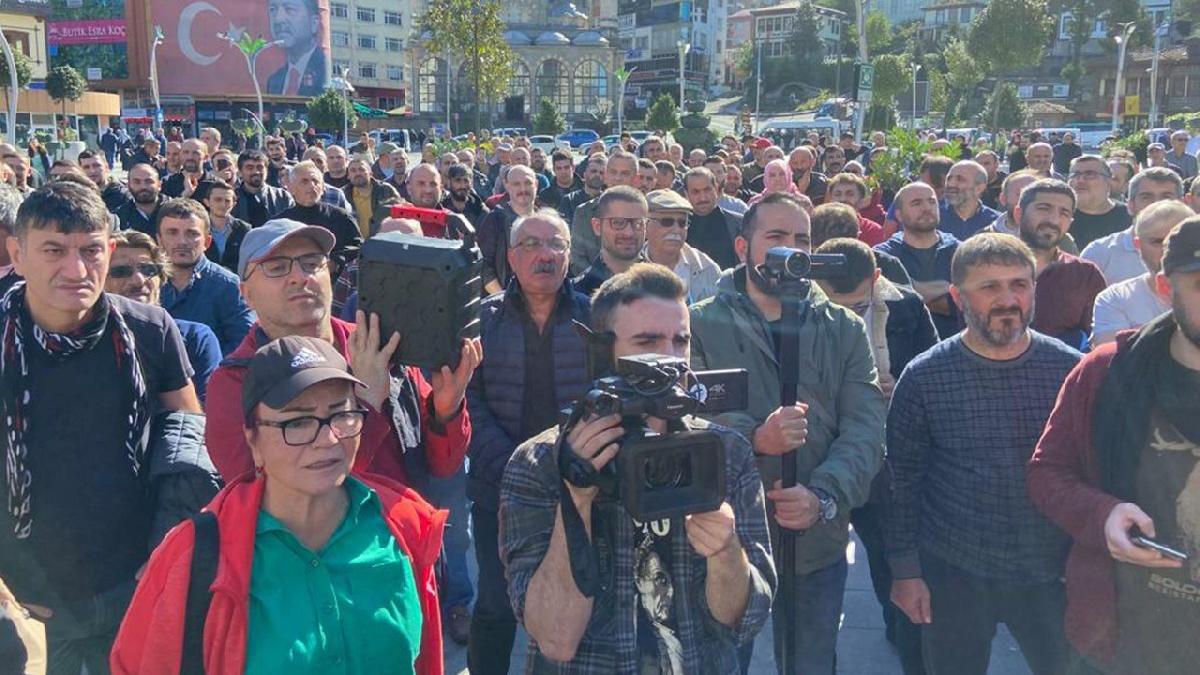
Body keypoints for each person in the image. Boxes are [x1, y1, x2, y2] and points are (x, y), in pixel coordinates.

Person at [110, 335, 448, 673]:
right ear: (252, 438)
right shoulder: (194, 557)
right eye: (297, 422)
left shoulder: (402, 528)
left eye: (341, 414)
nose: (328, 439)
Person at [500, 263, 777, 672]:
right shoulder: (540, 462)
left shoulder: (725, 452)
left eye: (680, 341)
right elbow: (555, 639)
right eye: (647, 341)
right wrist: (576, 498)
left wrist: (724, 551)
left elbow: (745, 617)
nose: (669, 359)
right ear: (601, 350)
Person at [0, 182, 216, 674]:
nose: (75, 270)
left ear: (110, 249)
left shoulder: (150, 329)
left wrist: (164, 550)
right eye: (53, 250)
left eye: (91, 250)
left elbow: (189, 447)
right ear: (18, 252)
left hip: (134, 577)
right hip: (25, 593)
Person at [690, 192, 886, 673]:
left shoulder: (844, 327)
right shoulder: (698, 323)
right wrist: (754, 438)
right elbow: (685, 419)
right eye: (775, 237)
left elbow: (865, 426)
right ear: (742, 248)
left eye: (801, 239)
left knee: (811, 661)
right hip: (724, 539)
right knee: (719, 660)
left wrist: (823, 495)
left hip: (815, 540)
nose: (789, 250)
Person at [887, 232, 1080, 675]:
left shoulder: (1071, 371)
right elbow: (901, 482)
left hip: (1050, 569)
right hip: (954, 568)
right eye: (989, 287)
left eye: (1019, 284)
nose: (1007, 299)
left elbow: (1090, 471)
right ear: (958, 296)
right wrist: (905, 570)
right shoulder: (924, 377)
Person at [1028, 217, 1200, 675]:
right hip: (1121, 638)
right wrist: (1102, 515)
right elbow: (1048, 472)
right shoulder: (1107, 372)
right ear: (1166, 287)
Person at [204, 219, 478, 488]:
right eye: (276, 268)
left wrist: (446, 411)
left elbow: (443, 466)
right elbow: (266, 500)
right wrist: (367, 401)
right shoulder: (235, 382)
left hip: (405, 526)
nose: (300, 277)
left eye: (311, 263)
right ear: (246, 294)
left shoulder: (377, 342)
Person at [466, 209, 591, 672]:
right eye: (531, 245)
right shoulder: (480, 321)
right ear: (511, 259)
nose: (545, 255)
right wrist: (513, 465)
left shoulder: (594, 318)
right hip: (497, 487)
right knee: (496, 607)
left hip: (577, 488)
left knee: (572, 607)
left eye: (555, 244)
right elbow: (467, 400)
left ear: (569, 255)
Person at [812, 237, 936, 675]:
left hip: (890, 453)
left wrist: (900, 383)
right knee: (816, 574)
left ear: (877, 279)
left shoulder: (908, 308)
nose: (844, 316)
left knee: (893, 554)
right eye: (834, 303)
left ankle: (903, 637)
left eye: (855, 304)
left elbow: (932, 372)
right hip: (825, 451)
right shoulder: (796, 310)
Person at [106, 230, 221, 401]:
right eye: (121, 271)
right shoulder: (84, 343)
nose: (138, 280)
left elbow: (208, 416)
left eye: (148, 270)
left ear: (162, 279)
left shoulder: (195, 339)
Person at [155, 197, 255, 356]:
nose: (182, 241)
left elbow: (244, 343)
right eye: (172, 232)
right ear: (159, 240)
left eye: (192, 233)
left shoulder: (227, 285)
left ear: (207, 242)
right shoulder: (146, 283)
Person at [1015, 179, 1107, 349]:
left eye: (1064, 213)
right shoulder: (986, 266)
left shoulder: (1085, 274)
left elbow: (1097, 341)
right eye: (1044, 209)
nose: (1054, 220)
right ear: (1019, 214)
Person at [1091, 200, 1191, 347]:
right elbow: (1113, 360)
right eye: (1157, 242)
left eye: (1178, 240)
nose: (1167, 250)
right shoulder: (1116, 299)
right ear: (1138, 245)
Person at [876, 182, 962, 339]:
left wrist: (910, 290)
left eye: (931, 201)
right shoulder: (882, 257)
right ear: (899, 215)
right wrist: (946, 289)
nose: (926, 208)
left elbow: (969, 303)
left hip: (955, 348)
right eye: (916, 203)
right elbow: (891, 304)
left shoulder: (963, 253)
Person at [1083, 167, 1184, 285]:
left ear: (1182, 204)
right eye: (1146, 197)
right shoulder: (1099, 254)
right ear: (1130, 205)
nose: (1157, 204)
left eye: (1166, 197)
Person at [277, 160, 362, 272]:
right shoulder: (281, 222)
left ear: (323, 188)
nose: (312, 186)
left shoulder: (341, 217)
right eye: (304, 182)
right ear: (291, 188)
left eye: (315, 181)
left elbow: (359, 247)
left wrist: (336, 260)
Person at [642, 189, 722, 303]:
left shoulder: (707, 269)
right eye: (667, 222)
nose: (676, 229)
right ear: (645, 223)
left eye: (682, 223)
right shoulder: (627, 264)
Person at [574, 185, 648, 296]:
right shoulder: (577, 293)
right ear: (597, 227)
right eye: (617, 223)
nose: (628, 233)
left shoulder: (664, 289)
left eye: (637, 223)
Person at [571, 150, 638, 274]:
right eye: (613, 172)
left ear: (635, 179)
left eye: (625, 173)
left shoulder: (647, 213)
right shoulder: (584, 212)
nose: (618, 178)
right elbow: (578, 259)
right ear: (606, 176)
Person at [478, 164, 539, 295]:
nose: (523, 189)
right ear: (507, 186)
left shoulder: (545, 223)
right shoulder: (495, 220)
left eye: (528, 183)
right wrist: (503, 300)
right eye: (516, 184)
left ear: (536, 184)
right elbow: (484, 266)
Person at [684, 167, 742, 270]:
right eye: (696, 192)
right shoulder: (678, 226)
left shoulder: (738, 224)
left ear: (716, 188)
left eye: (707, 190)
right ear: (686, 194)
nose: (703, 198)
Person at [1069, 155, 1132, 250]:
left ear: (1108, 181)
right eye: (1075, 174)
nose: (1080, 180)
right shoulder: (1060, 216)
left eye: (1090, 174)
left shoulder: (1129, 217)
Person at [266, 0, 328, 95]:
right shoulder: (274, 80)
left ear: (314, 23)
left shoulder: (325, 72)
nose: (278, 19)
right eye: (273, 10)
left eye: (289, 9)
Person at [940, 160, 1000, 240]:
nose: (951, 184)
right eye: (949, 179)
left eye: (960, 179)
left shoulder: (996, 223)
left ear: (979, 188)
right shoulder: (934, 218)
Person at [233, 149, 293, 228]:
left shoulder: (282, 197)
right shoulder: (232, 199)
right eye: (250, 168)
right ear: (240, 172)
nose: (256, 171)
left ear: (266, 170)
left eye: (260, 167)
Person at [344, 157, 402, 239]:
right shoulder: (343, 194)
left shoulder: (386, 190)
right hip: (354, 244)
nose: (358, 173)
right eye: (353, 171)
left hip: (382, 241)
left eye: (361, 169)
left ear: (371, 173)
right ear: (348, 176)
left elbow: (400, 215)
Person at [825, 173, 887, 245]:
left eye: (850, 194)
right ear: (830, 199)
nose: (843, 199)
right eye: (837, 194)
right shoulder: (820, 228)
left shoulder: (873, 231)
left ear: (860, 199)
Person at [557, 153, 606, 230]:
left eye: (601, 173)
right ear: (584, 174)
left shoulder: (608, 201)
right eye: (593, 171)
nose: (597, 175)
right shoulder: (569, 200)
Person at [116, 163, 167, 235]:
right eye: (136, 182)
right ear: (128, 185)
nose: (143, 187)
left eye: (149, 181)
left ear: (159, 185)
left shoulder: (175, 210)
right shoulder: (119, 216)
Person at [443, 163, 490, 229]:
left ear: (471, 182)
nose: (462, 186)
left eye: (466, 181)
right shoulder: (442, 209)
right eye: (458, 180)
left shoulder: (481, 211)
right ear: (449, 182)